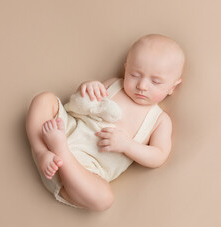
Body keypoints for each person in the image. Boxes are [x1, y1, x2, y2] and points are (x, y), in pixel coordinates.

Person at [25, 34, 185, 211]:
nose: (142, 86)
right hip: (62, 132)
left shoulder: (160, 121)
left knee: (104, 199)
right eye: (134, 74)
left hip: (82, 174)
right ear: (126, 68)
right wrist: (87, 87)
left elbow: (159, 156)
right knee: (44, 99)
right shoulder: (113, 84)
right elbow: (81, 104)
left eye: (155, 81)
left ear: (173, 86)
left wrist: (127, 145)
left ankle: (61, 151)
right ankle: (40, 151)